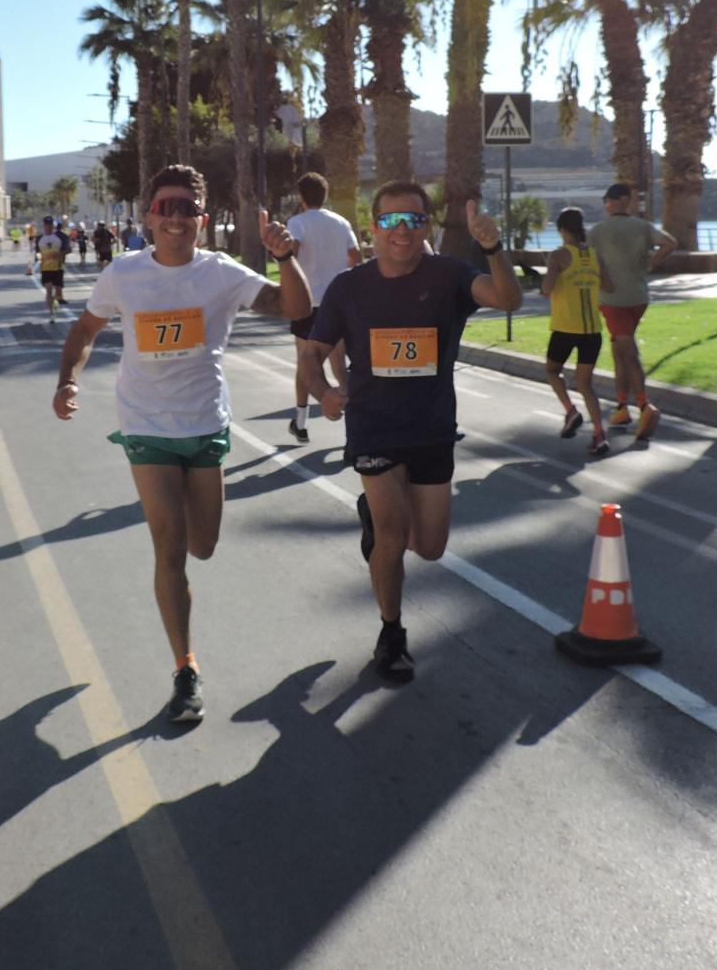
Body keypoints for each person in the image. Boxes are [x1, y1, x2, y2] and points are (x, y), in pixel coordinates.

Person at [52, 165, 312, 724]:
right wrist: (67, 380)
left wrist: (287, 258)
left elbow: (295, 309)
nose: (174, 218)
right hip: (146, 426)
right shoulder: (123, 274)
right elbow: (84, 332)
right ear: (148, 216)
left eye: (185, 208)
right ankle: (185, 669)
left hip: (204, 424)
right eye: (164, 207)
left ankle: (184, 639)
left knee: (203, 545)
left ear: (202, 217)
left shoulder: (222, 273)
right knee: (169, 547)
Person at [300, 183, 522, 682]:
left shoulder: (449, 275)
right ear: (372, 227)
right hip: (373, 426)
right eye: (391, 222)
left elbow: (508, 299)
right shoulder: (348, 286)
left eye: (414, 221)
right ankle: (392, 633)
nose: (403, 232)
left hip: (432, 426)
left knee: (430, 547)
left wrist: (492, 249)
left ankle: (376, 529)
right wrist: (325, 395)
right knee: (395, 537)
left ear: (428, 226)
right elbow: (312, 353)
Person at [587, 182, 677, 441]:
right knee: (619, 349)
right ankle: (621, 408)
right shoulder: (642, 227)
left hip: (613, 299)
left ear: (617, 201)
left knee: (628, 351)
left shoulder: (598, 231)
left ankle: (644, 405)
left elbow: (586, 259)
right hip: (638, 297)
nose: (606, 205)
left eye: (608, 200)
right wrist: (651, 262)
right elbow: (670, 242)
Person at [282, 171, 361, 443]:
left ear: (302, 196)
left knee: (306, 363)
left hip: (307, 303)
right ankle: (355, 427)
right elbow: (355, 256)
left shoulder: (297, 223)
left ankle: (301, 424)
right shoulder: (341, 222)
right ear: (325, 195)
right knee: (340, 365)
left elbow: (291, 250)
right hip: (337, 302)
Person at [541, 206, 613, 457]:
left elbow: (547, 288)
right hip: (592, 330)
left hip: (564, 328)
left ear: (562, 229)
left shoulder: (558, 255)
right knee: (586, 384)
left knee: (552, 370)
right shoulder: (596, 255)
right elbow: (609, 286)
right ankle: (599, 435)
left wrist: (549, 277)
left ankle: (571, 411)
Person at [37, 216, 70, 316]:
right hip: (45, 269)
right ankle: (51, 313)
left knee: (58, 293)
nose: (48, 227)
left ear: (53, 225)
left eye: (50, 225)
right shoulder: (39, 238)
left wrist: (58, 254)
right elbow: (37, 253)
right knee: (49, 289)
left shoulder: (60, 237)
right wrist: (37, 258)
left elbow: (68, 250)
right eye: (46, 225)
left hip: (58, 268)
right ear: (43, 225)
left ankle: (54, 302)